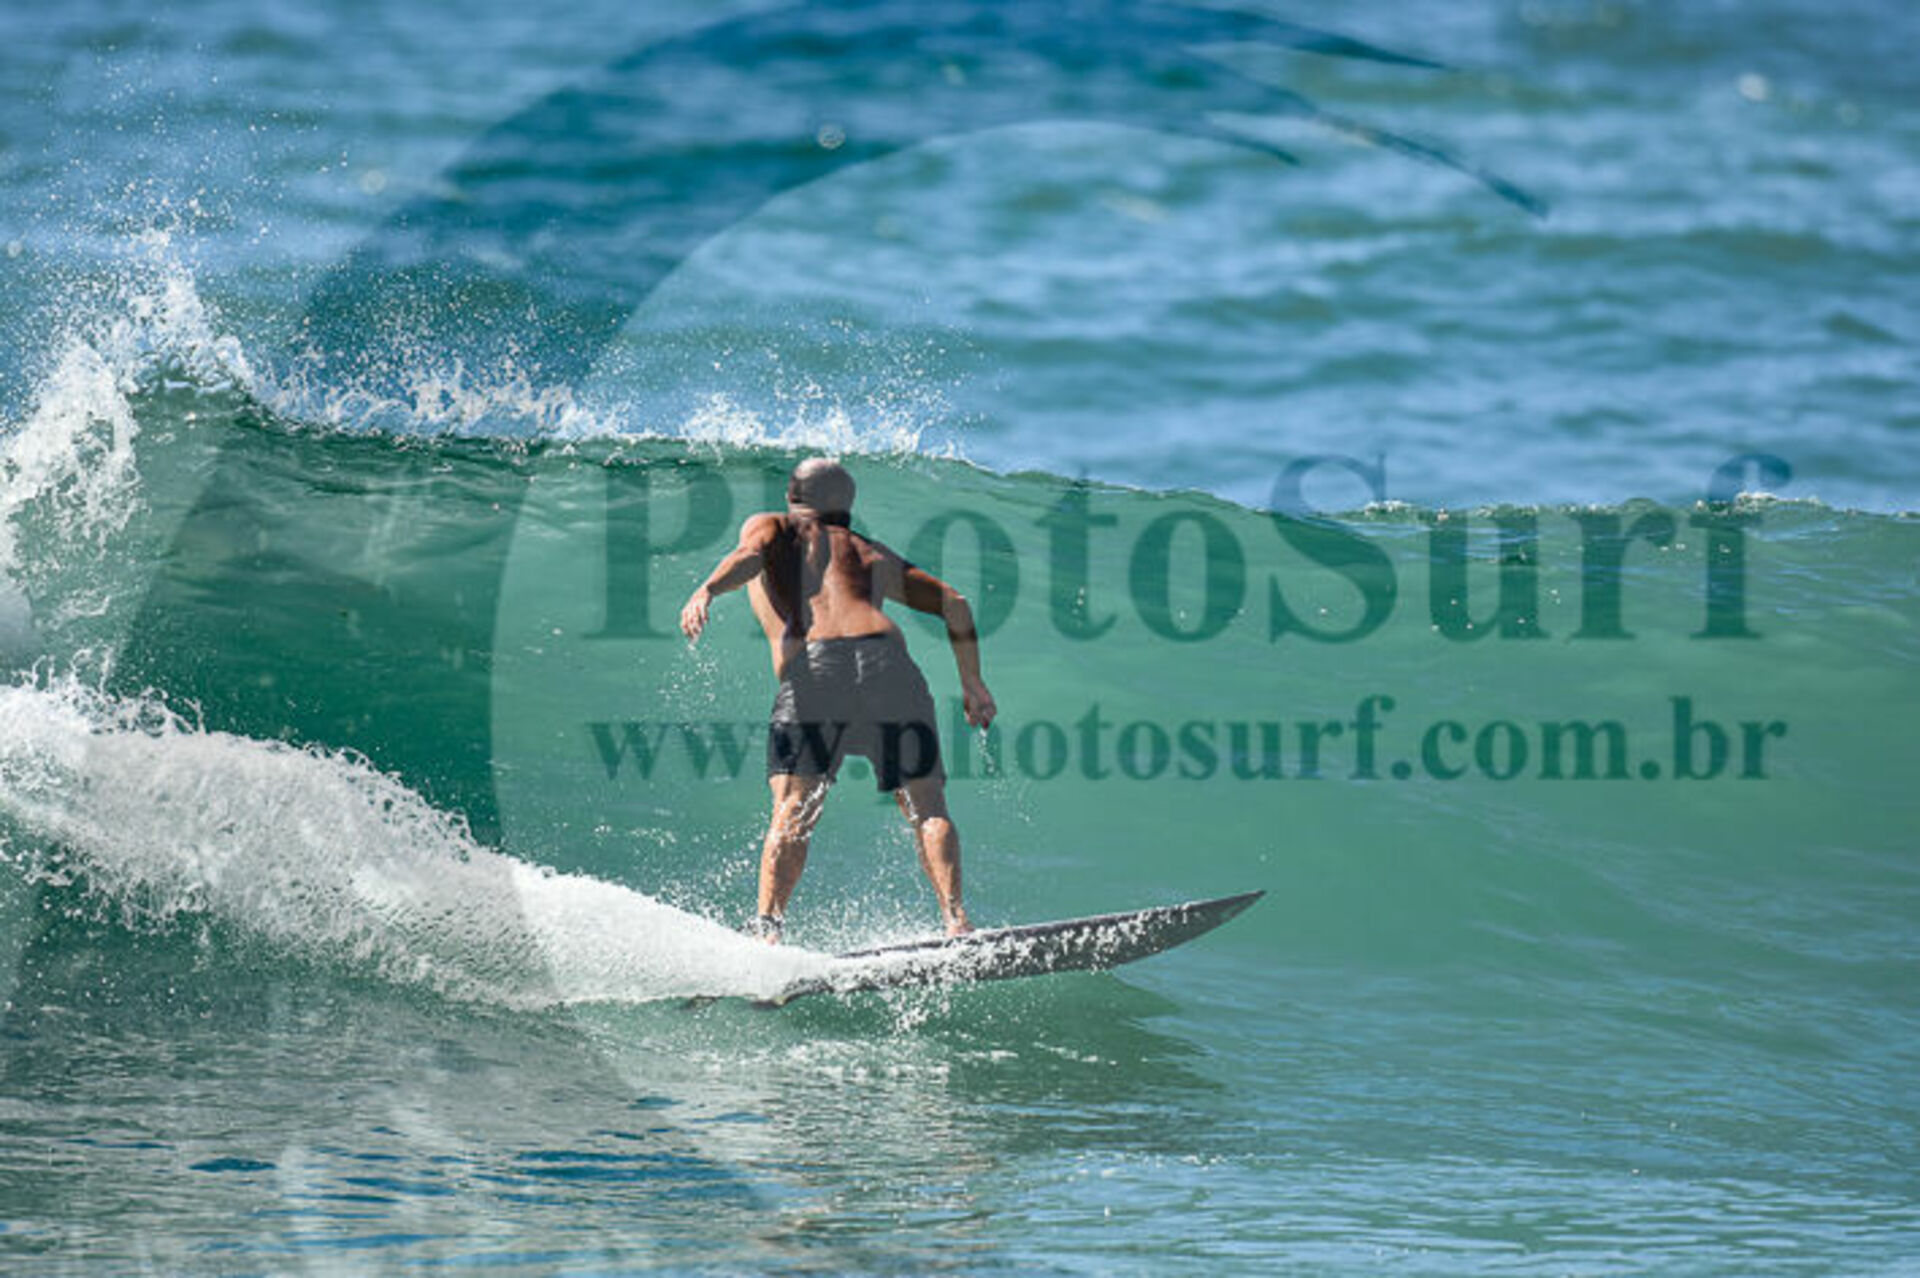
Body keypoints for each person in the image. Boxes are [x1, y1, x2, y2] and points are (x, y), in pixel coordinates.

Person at [679, 458, 996, 942]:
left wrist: (707, 589)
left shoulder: (777, 526)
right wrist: (973, 683)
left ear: (794, 498)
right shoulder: (870, 551)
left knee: (794, 807)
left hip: (819, 669)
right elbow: (955, 602)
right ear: (847, 505)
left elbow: (748, 555)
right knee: (927, 805)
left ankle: (767, 929)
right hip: (890, 665)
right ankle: (957, 922)